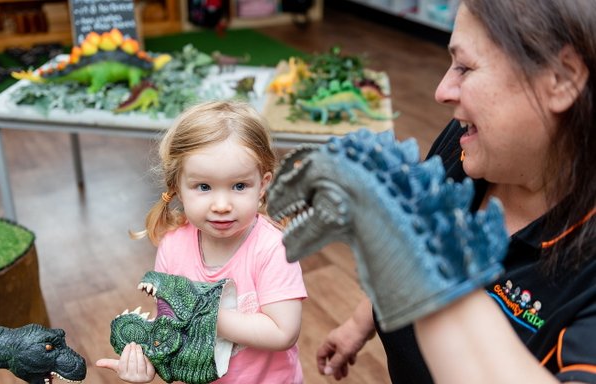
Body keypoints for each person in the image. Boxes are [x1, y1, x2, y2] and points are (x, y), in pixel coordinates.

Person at [316, 1, 596, 383]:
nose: (442, 91)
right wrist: (359, 321)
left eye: (465, 67)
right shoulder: (466, 145)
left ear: (562, 78)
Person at [96, 100, 307, 383]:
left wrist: (198, 316)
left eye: (239, 186)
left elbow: (283, 332)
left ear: (263, 185)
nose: (221, 204)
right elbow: (170, 327)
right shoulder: (172, 244)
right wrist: (148, 362)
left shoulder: (274, 248)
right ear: (178, 188)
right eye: (204, 187)